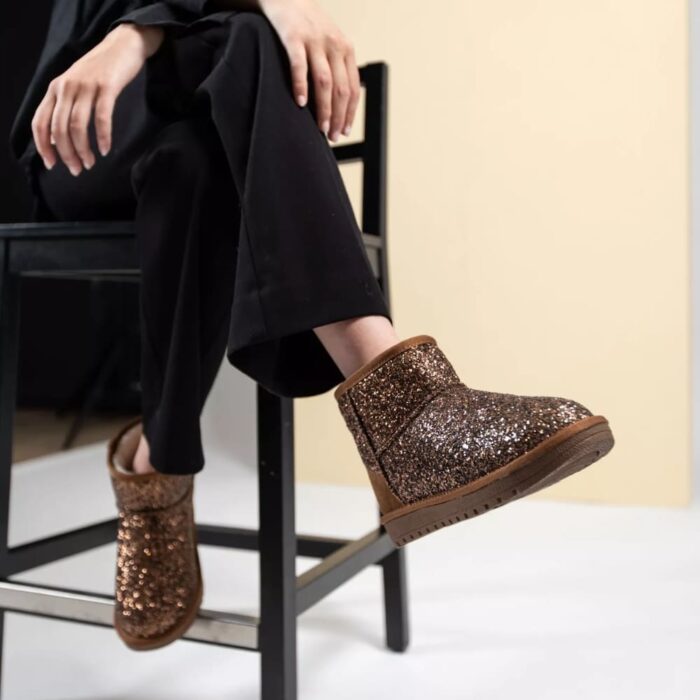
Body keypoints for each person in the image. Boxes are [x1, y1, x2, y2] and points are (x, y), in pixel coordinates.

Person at [11, 0, 615, 652]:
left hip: (190, 131)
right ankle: (404, 412)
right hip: (77, 132)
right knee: (248, 35)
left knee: (197, 156)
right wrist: (137, 32)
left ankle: (159, 465)